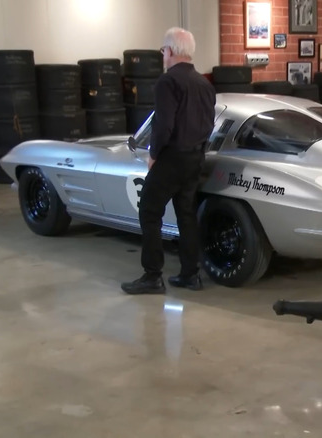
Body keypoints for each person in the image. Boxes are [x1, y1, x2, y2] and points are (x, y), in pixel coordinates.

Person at [121, 27, 216, 295]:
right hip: (196, 157)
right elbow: (209, 123)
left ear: (170, 51)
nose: (163, 55)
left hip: (172, 157)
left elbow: (163, 125)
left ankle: (152, 276)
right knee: (186, 214)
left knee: (149, 211)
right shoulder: (204, 84)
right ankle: (190, 274)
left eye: (163, 50)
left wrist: (153, 155)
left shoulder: (167, 82)